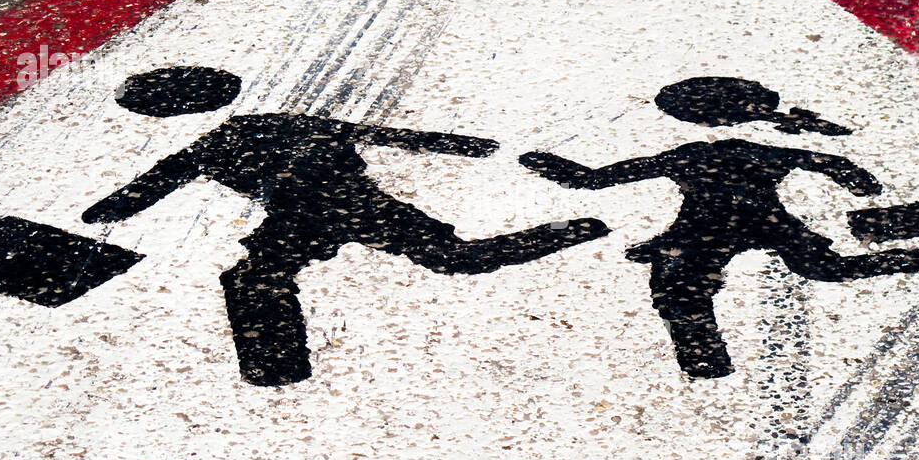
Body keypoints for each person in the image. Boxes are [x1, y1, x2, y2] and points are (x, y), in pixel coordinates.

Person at [83, 66, 608, 385]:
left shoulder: (264, 128)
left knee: (457, 259)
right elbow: (161, 177)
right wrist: (109, 210)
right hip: (298, 216)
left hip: (356, 203)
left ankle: (574, 229)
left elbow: (374, 133)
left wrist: (456, 144)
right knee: (251, 278)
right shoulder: (218, 142)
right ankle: (276, 369)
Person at [520, 77, 919, 379]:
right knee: (821, 268)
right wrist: (858, 183)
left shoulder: (694, 155)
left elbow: (598, 177)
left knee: (682, 286)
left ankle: (703, 357)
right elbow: (830, 161)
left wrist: (546, 163)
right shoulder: (749, 152)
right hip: (748, 221)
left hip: (711, 226)